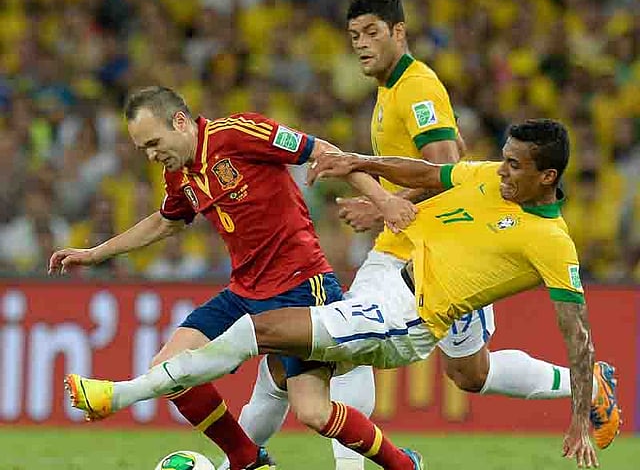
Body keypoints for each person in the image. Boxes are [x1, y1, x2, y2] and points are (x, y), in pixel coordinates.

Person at [66, 120, 619, 469]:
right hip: (386, 280)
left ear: (547, 177)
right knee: (304, 395)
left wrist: (577, 412)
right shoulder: (487, 177)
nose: (503, 170)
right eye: (504, 158)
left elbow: (576, 326)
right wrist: (362, 166)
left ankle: (121, 395)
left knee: (264, 339)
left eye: (516, 166)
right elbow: (427, 174)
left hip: (407, 320)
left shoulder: (551, 241)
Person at [50, 86, 422, 470]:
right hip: (244, 292)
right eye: (143, 148)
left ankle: (403, 465)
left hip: (301, 287)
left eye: (154, 142)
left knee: (313, 411)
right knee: (168, 368)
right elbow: (165, 221)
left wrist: (384, 201)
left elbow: (324, 151)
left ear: (180, 122)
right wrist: (95, 253)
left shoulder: (240, 134)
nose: (151, 155)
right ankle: (246, 457)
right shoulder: (179, 175)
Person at [339, 0, 620, 451]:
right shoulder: (393, 88)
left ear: (399, 32)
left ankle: (351, 462)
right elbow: (460, 153)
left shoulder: (416, 87)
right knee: (471, 373)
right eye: (354, 36)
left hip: (427, 246)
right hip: (433, 242)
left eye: (371, 32)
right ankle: (586, 382)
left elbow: (443, 163)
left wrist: (384, 204)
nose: (361, 44)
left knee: (349, 343)